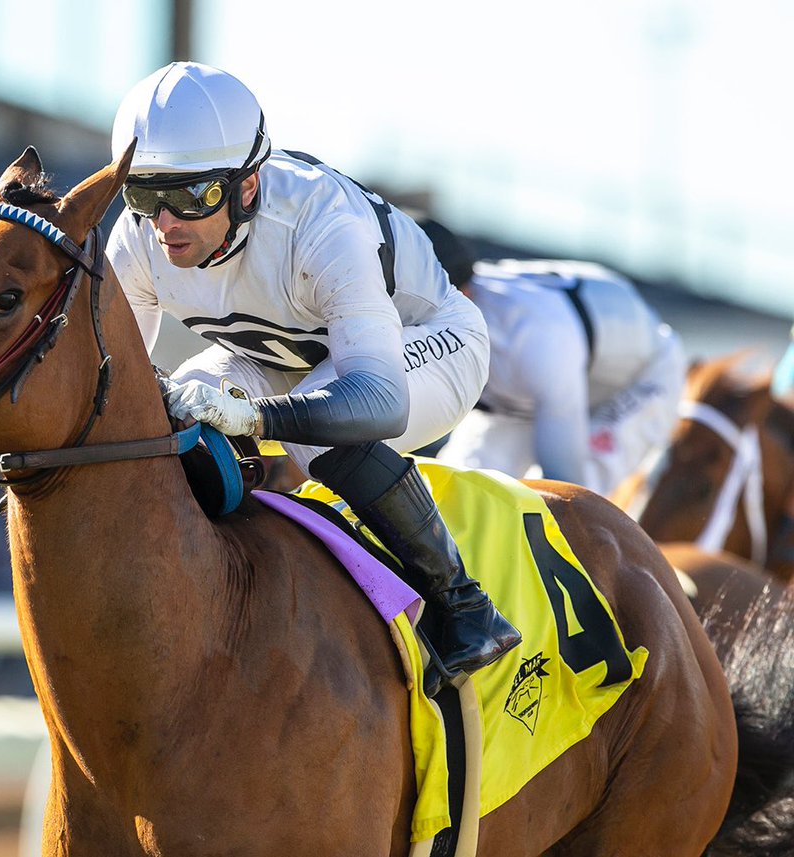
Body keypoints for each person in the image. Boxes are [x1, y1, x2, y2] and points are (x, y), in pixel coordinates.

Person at [107, 62, 520, 694]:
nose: (164, 223)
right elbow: (116, 389)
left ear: (248, 188)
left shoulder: (320, 221)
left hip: (428, 345)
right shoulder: (139, 237)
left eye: (191, 197)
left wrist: (256, 419)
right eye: (144, 195)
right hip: (285, 360)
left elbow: (376, 401)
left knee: (314, 427)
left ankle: (463, 604)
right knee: (174, 411)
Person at [419, 218, 687, 496]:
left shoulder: (534, 335)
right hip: (530, 394)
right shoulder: (468, 307)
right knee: (452, 496)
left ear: (464, 294)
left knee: (569, 502)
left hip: (639, 377)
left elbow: (566, 486)